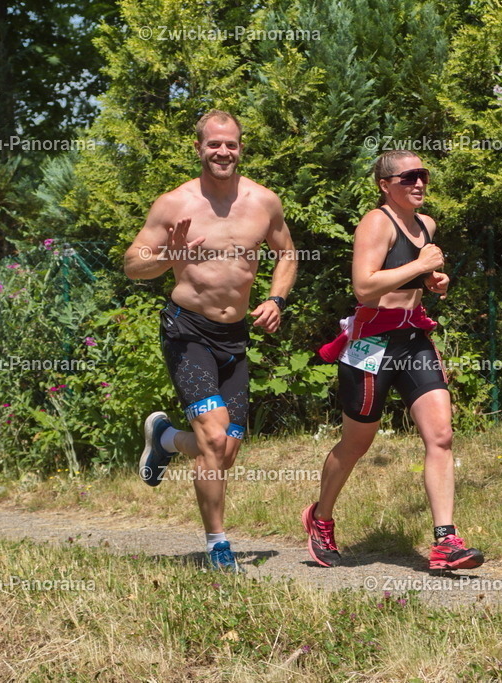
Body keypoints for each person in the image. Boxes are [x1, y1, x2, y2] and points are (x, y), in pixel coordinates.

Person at [124, 110, 297, 572]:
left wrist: (277, 299)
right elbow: (132, 265)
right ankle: (218, 547)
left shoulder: (263, 201)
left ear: (241, 148)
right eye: (214, 144)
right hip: (188, 330)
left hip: (234, 336)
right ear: (198, 147)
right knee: (215, 438)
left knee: (226, 448)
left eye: (232, 144)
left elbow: (288, 253)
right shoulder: (174, 204)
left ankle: (164, 439)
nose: (223, 152)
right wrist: (169, 255)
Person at [303, 150, 483, 571]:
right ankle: (320, 517)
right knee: (355, 444)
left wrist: (432, 279)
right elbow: (365, 287)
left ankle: (445, 541)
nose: (419, 183)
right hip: (371, 343)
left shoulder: (427, 225)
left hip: (412, 338)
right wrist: (420, 265)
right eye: (409, 177)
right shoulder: (375, 222)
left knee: (440, 435)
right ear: (385, 185)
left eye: (423, 175)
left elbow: (413, 276)